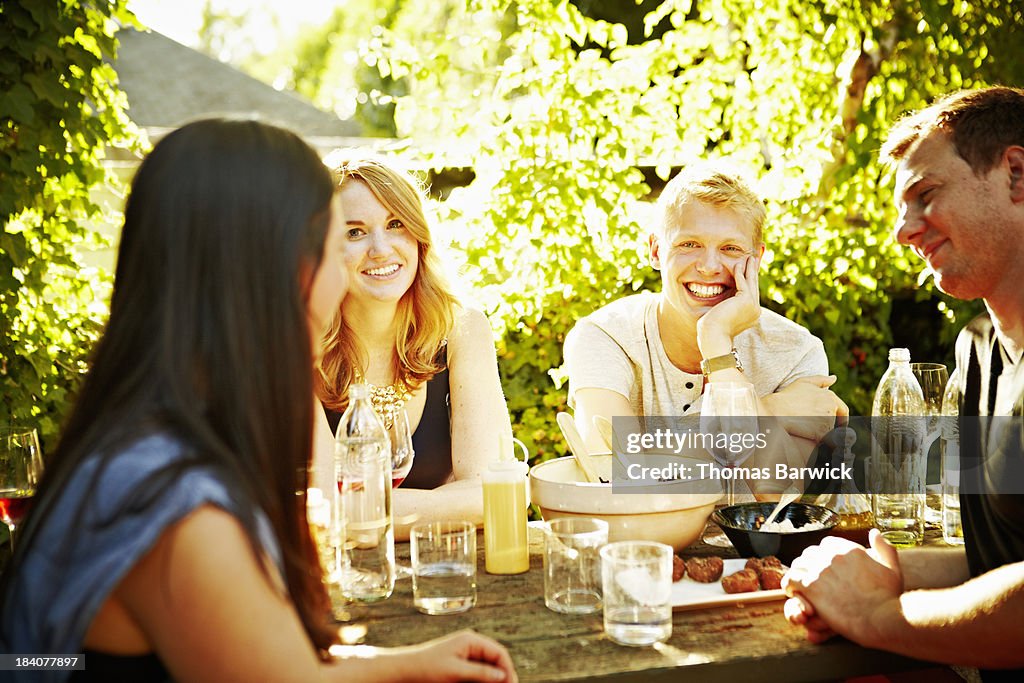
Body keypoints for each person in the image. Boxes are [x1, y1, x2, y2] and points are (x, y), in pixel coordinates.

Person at [0, 119, 516, 683]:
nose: (346, 276)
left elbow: (262, 659)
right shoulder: (175, 502)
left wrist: (407, 665)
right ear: (271, 273)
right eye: (330, 240)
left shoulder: (158, 436)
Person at [783, 86, 1024, 679]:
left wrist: (876, 615)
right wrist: (870, 578)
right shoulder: (977, 353)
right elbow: (986, 558)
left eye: (926, 194)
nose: (904, 231)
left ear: (1016, 173)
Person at [563, 161, 847, 488]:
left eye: (730, 248)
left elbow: (777, 488)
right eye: (690, 244)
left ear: (756, 259)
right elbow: (617, 472)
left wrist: (715, 342)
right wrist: (767, 410)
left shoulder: (797, 352)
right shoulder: (606, 336)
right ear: (656, 250)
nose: (710, 266)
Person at [312, 153, 511, 540]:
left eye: (395, 223)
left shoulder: (462, 328)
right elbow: (327, 513)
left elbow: (495, 495)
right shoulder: (294, 348)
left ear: (419, 236)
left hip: (446, 574)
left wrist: (367, 513)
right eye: (354, 232)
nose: (381, 248)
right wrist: (450, 504)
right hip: (336, 584)